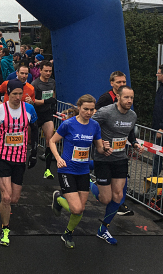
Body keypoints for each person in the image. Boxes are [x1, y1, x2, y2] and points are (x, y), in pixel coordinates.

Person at [49, 95, 108, 249]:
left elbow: (99, 148)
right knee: (76, 209)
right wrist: (58, 158)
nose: (89, 112)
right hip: (67, 169)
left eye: (91, 110)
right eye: (85, 109)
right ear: (79, 108)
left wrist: (105, 149)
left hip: (83, 171)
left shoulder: (95, 126)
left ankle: (67, 233)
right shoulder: (68, 124)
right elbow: (52, 141)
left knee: (80, 210)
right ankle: (58, 198)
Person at [0, 79, 38, 246]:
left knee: (14, 199)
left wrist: (34, 153)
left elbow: (35, 129)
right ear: (8, 93)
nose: (17, 97)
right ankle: (5, 230)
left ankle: (1, 180)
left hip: (20, 157)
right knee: (6, 197)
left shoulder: (29, 109)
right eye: (14, 94)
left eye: (20, 94)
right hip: (1, 156)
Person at [89, 85, 142, 245]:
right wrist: (100, 143)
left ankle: (103, 229)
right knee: (105, 199)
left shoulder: (132, 115)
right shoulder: (105, 112)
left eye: (131, 98)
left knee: (118, 196)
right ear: (118, 97)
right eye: (126, 97)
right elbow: (90, 126)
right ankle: (87, 180)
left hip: (120, 159)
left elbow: (129, 131)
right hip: (103, 158)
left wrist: (134, 143)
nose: (129, 101)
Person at [31, 60, 57, 179]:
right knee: (30, 141)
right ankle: (30, 159)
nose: (48, 73)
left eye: (50, 71)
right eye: (46, 71)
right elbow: (32, 101)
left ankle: (47, 170)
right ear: (40, 70)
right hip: (36, 114)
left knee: (49, 140)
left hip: (47, 114)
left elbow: (53, 93)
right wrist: (45, 101)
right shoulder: (35, 84)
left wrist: (52, 102)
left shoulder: (52, 82)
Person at [152, 65, 163, 176]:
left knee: (158, 154)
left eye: (159, 73)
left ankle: (155, 176)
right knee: (157, 153)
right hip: (158, 127)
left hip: (161, 129)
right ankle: (154, 176)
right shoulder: (160, 88)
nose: (157, 75)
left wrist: (162, 128)